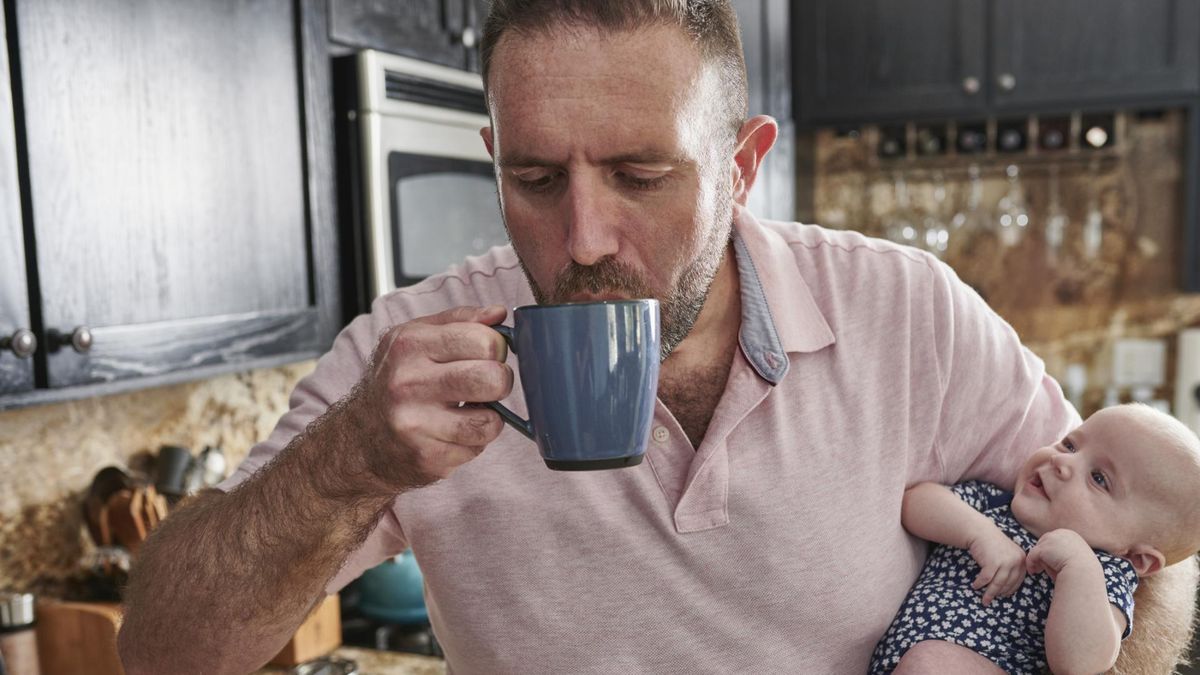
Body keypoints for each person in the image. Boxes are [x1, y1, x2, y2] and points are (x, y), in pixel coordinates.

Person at [116, 1, 1198, 673]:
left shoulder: (910, 315)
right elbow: (160, 653)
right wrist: (343, 466)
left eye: (641, 176)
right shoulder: (404, 358)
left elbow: (1155, 562)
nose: (584, 239)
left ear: (742, 163)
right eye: (534, 180)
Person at [869, 404, 1200, 674]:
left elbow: (1081, 663)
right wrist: (978, 533)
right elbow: (916, 502)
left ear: (1138, 559)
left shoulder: (1104, 574)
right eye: (1070, 444)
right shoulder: (995, 506)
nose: (1062, 461)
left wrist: (1077, 568)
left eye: (1099, 478)